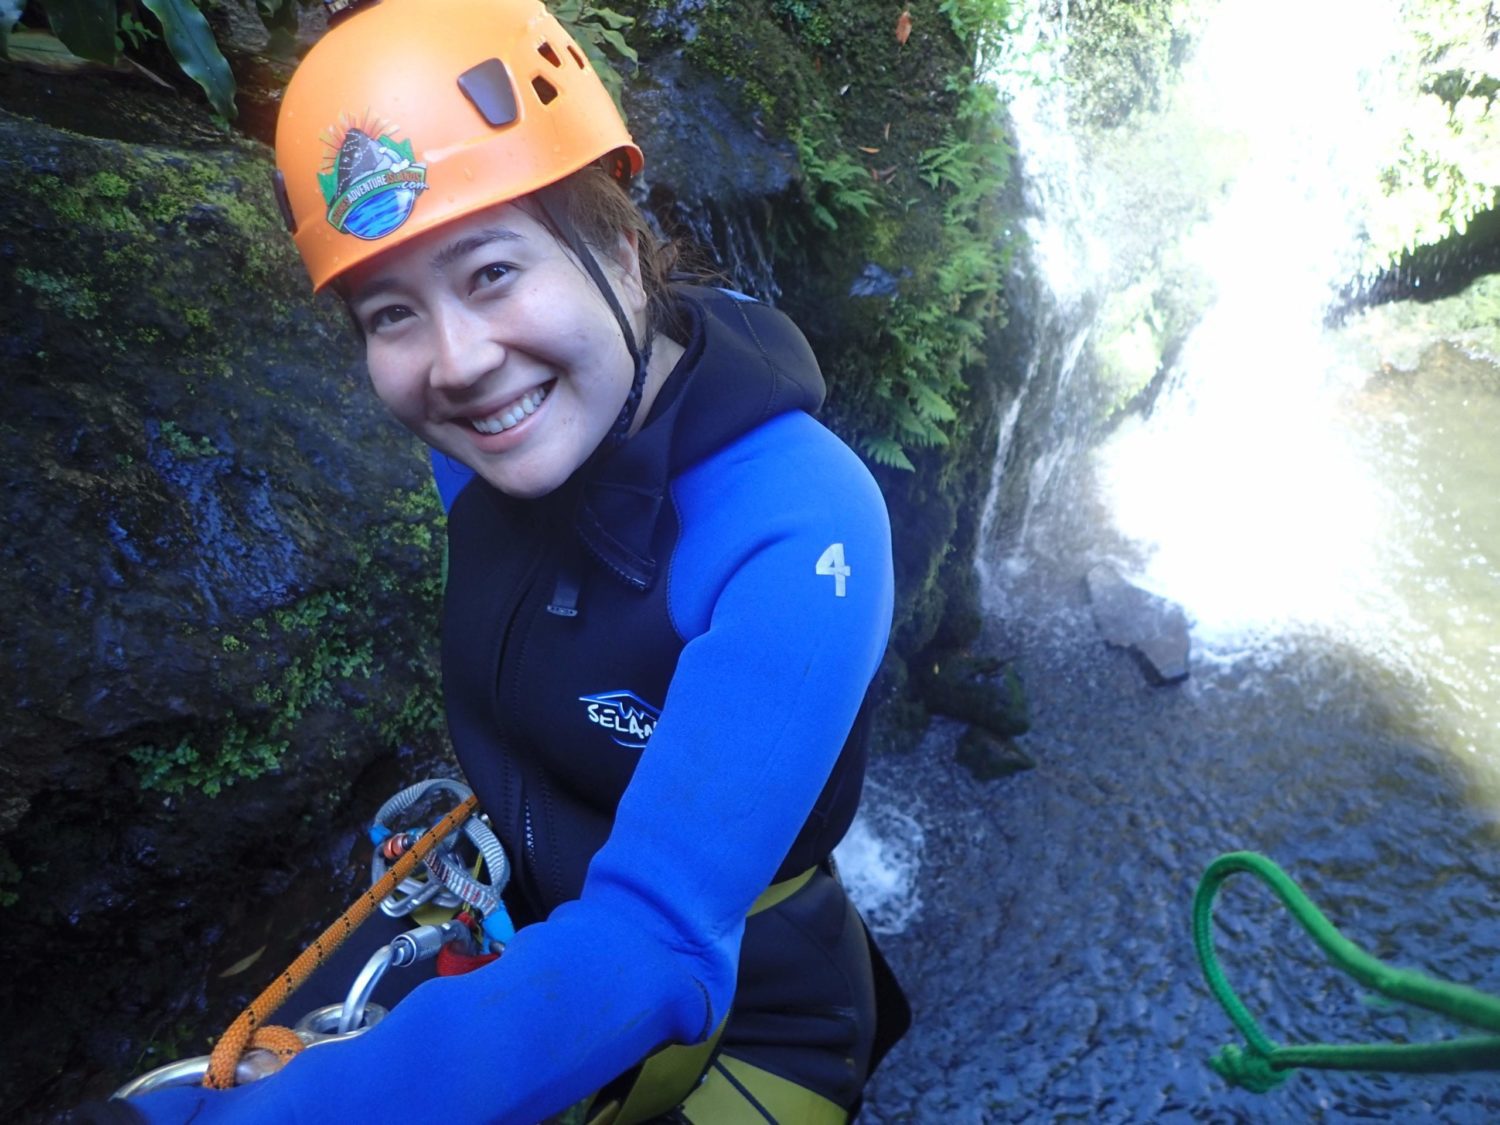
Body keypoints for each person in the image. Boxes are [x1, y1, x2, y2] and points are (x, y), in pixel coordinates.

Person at [113, 0, 902, 1119]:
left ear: (622, 246)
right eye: (391, 312)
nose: (459, 363)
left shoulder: (798, 523)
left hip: (754, 1018)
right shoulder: (500, 435)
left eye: (490, 272)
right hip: (523, 906)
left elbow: (657, 943)